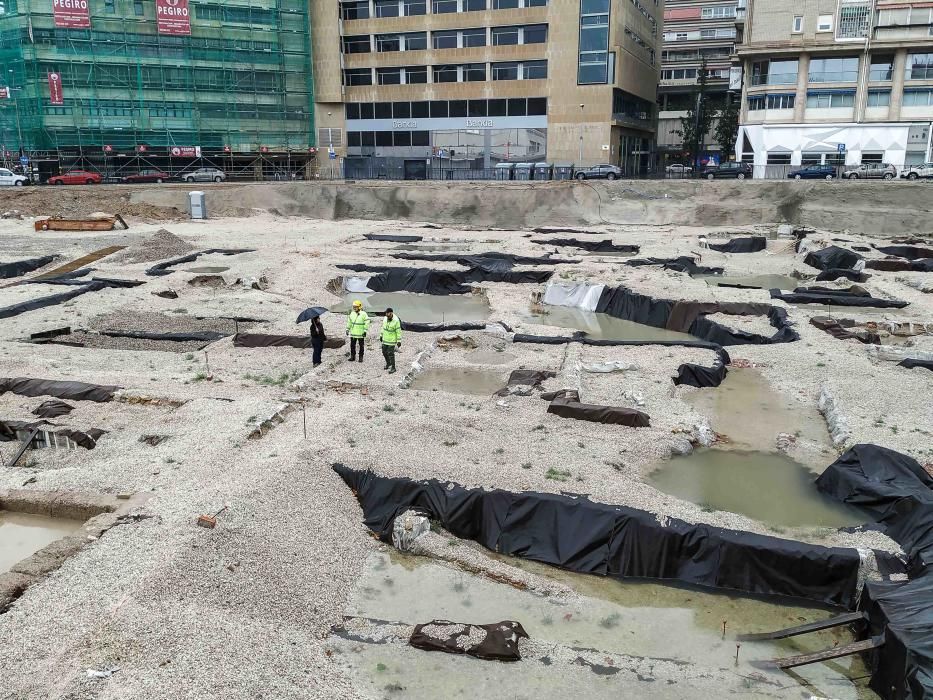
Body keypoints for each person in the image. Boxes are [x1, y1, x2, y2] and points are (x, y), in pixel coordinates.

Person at [380, 308, 402, 373]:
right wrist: (381, 335)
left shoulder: (396, 320)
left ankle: (393, 367)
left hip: (392, 340)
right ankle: (388, 363)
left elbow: (398, 331)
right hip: (385, 339)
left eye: (388, 313)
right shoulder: (385, 318)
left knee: (390, 353)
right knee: (384, 352)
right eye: (386, 313)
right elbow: (383, 328)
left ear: (391, 313)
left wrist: (399, 341)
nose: (386, 314)